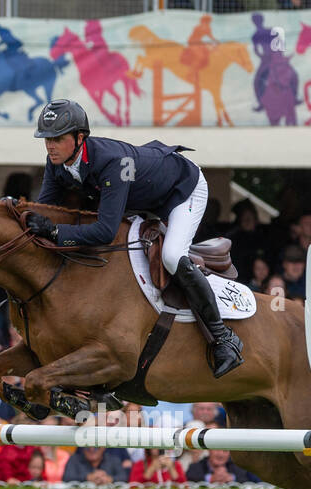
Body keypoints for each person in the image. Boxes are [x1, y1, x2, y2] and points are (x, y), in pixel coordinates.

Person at [26, 99, 242, 378]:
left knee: (172, 256)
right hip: (144, 199)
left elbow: (104, 231)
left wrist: (56, 233)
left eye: (57, 138)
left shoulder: (112, 163)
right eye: (46, 139)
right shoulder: (56, 163)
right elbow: (42, 213)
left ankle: (223, 338)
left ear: (80, 138)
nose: (50, 145)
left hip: (182, 190)